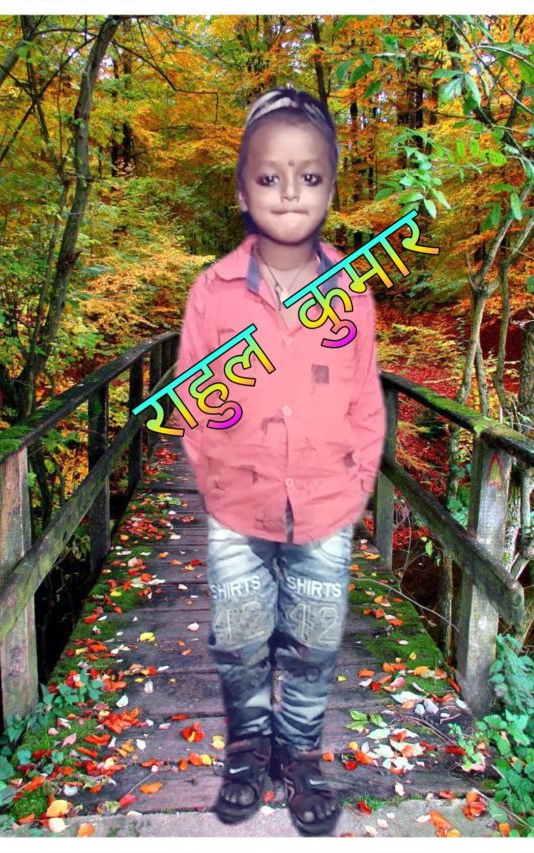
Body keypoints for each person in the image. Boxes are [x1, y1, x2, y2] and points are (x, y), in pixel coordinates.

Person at [173, 86, 386, 836]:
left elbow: (365, 400)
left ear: (330, 188)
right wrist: (213, 479)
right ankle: (247, 752)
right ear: (242, 190)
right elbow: (192, 396)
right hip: (238, 507)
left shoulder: (351, 293)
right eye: (269, 176)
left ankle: (299, 756)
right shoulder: (214, 292)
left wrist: (356, 485)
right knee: (239, 639)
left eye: (309, 176)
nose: (289, 192)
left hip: (325, 507)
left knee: (313, 642)